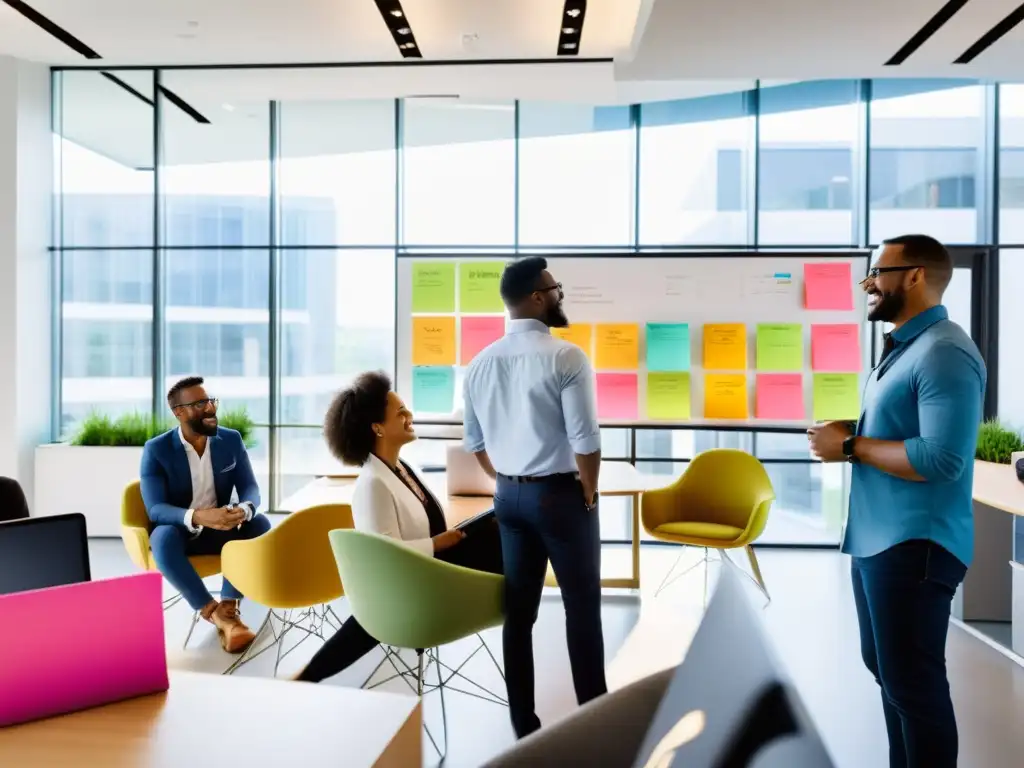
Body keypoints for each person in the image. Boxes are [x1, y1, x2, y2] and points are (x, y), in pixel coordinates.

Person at [807, 234, 985, 768]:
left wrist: (854, 446)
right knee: (890, 674)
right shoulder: (907, 349)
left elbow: (943, 459)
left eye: (879, 271)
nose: (868, 282)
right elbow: (907, 430)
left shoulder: (946, 351)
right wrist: (854, 434)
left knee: (913, 684)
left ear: (914, 276)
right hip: (881, 540)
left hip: (917, 543)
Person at [463, 256, 606, 739]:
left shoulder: (480, 363)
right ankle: (595, 720)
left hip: (509, 498)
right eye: (554, 287)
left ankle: (523, 724)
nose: (559, 293)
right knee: (581, 606)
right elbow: (585, 440)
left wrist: (505, 479)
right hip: (561, 497)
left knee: (518, 615)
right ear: (538, 297)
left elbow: (477, 445)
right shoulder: (567, 357)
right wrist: (587, 488)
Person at [293, 371, 502, 683]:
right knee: (504, 528)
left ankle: (309, 675)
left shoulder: (404, 469)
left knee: (501, 520)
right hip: (415, 587)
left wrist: (447, 538)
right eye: (400, 413)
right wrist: (437, 544)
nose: (410, 416)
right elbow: (384, 558)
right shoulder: (373, 484)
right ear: (377, 427)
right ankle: (310, 675)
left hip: (430, 573)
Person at [140, 376, 271, 654]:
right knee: (162, 536)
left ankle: (229, 605)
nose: (210, 408)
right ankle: (213, 611)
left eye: (210, 401)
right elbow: (155, 508)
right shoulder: (157, 449)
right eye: (200, 404)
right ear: (179, 412)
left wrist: (243, 509)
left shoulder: (230, 440)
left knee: (259, 522)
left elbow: (250, 487)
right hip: (181, 534)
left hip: (221, 530)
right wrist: (198, 516)